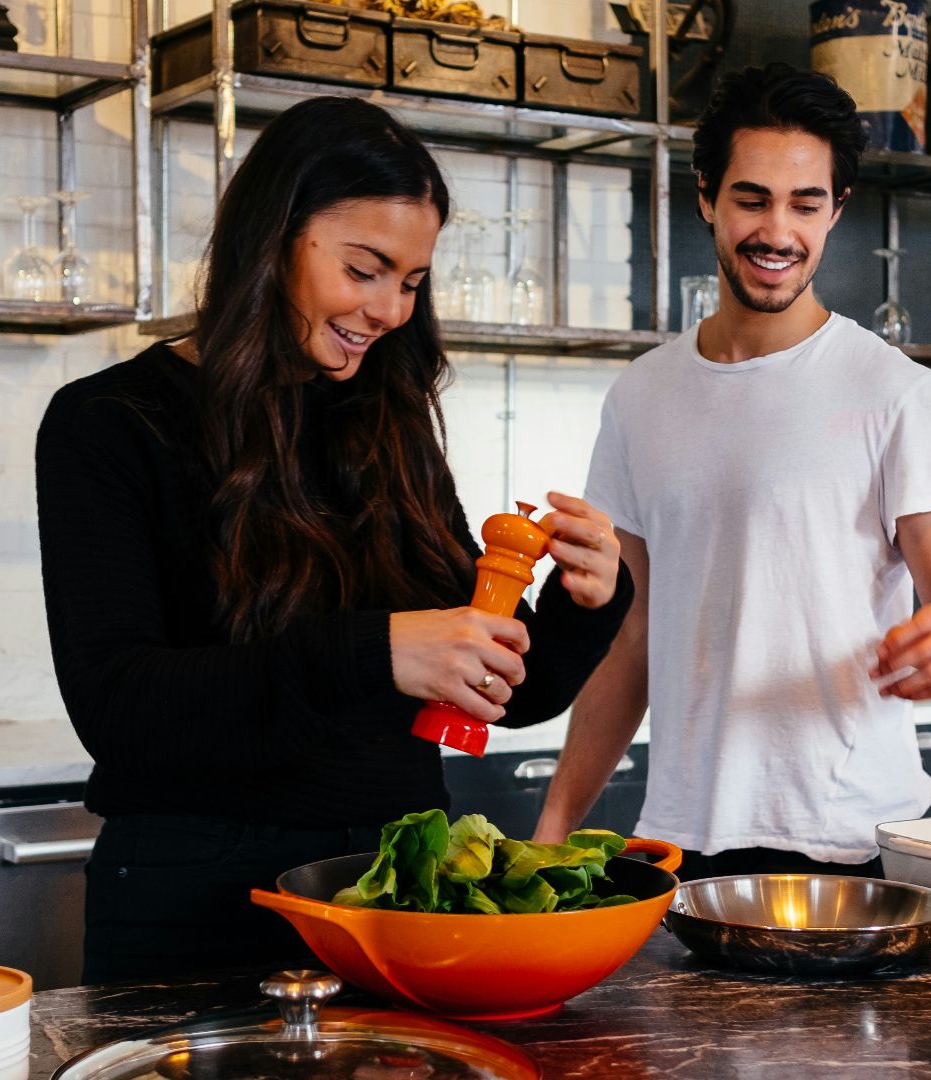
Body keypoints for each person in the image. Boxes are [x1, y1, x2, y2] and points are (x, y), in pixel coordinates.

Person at [35, 96, 633, 982]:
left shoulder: (389, 423)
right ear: (274, 237)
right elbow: (118, 708)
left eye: (413, 281)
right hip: (195, 912)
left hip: (395, 900)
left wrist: (585, 602)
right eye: (366, 269)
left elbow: (496, 693)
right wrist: (376, 652)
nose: (391, 309)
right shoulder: (109, 424)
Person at [532, 63, 931, 879]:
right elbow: (631, 638)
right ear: (706, 198)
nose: (777, 231)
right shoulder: (642, 395)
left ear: (837, 210)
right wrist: (551, 830)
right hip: (681, 846)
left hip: (853, 847)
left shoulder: (899, 394)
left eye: (805, 203)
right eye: (752, 199)